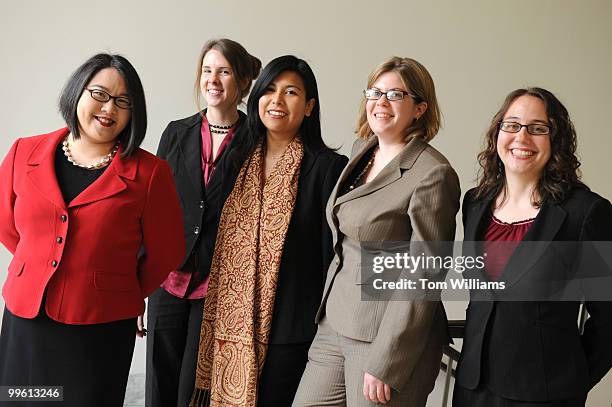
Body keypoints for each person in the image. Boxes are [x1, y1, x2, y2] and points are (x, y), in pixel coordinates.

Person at [0, 53, 185, 407]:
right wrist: (36, 263)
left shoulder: (150, 173)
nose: (108, 108)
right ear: (77, 93)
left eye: (123, 102)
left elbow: (167, 251)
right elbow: (6, 224)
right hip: (27, 316)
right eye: (99, 94)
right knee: (21, 399)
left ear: (133, 113)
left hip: (100, 322)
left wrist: (117, 285)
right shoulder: (25, 152)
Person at [293, 56, 460, 407]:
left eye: (395, 95)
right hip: (335, 321)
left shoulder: (432, 173)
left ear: (419, 108)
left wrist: (388, 360)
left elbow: (424, 275)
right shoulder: (362, 151)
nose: (381, 103)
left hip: (386, 338)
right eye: (375, 92)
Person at [190, 55, 348, 407]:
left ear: (308, 107)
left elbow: (333, 257)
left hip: (292, 328)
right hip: (228, 326)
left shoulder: (328, 169)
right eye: (270, 90)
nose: (277, 101)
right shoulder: (236, 158)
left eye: (290, 92)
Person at [453, 87, 612, 406]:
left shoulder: (586, 213)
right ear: (497, 133)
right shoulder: (474, 203)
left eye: (538, 128)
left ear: (557, 139)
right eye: (511, 125)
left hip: (544, 395)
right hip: (472, 390)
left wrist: (569, 380)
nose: (521, 137)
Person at [144, 38, 261, 407]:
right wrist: (139, 285)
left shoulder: (257, 140)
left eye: (224, 71)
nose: (212, 79)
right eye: (207, 70)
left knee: (193, 390)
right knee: (158, 384)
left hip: (218, 284)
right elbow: (152, 209)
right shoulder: (175, 132)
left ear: (242, 82)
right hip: (167, 277)